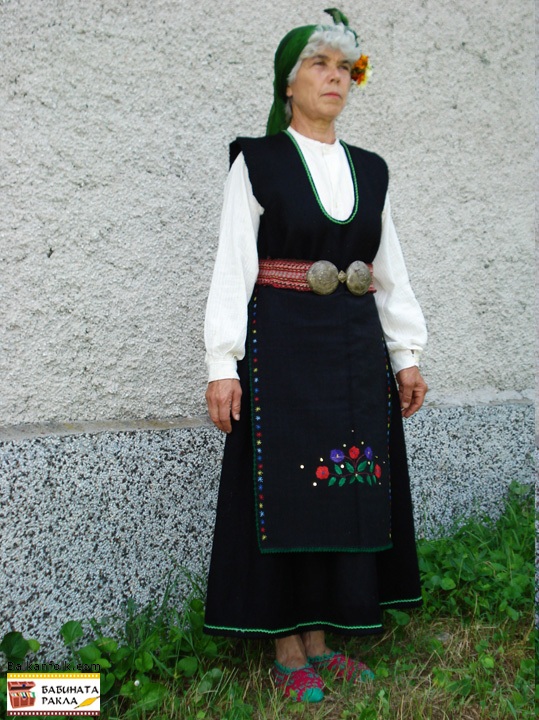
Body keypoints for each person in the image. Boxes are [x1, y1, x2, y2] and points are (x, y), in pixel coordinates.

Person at [202, 9, 428, 703]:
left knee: (344, 491)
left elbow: (387, 268)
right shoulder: (259, 163)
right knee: (289, 491)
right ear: (288, 83)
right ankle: (286, 645)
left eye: (343, 68)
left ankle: (323, 640)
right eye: (318, 66)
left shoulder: (371, 170)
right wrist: (221, 362)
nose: (334, 79)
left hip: (353, 352)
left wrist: (405, 354)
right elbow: (232, 265)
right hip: (281, 350)